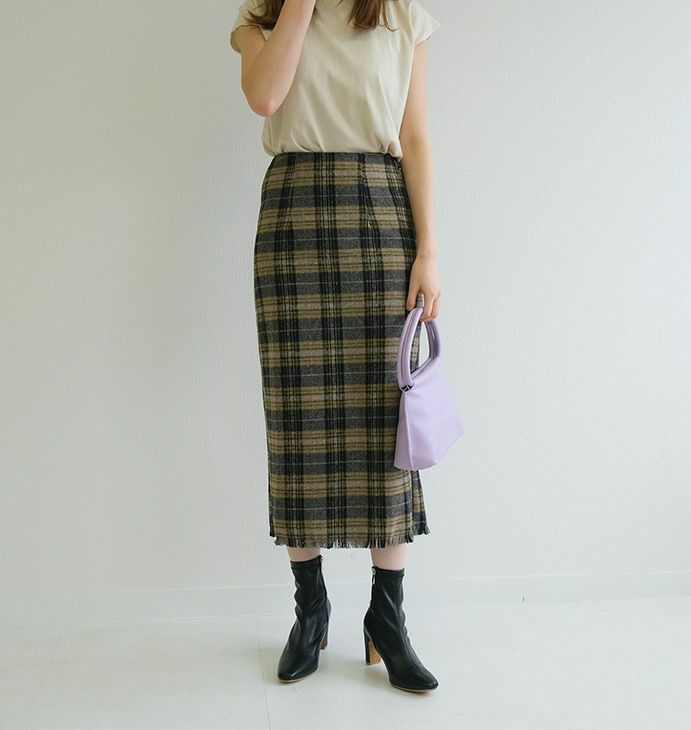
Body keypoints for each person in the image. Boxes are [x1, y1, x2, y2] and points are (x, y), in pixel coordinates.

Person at [230, 0, 442, 692]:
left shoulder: (402, 15)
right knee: (298, 422)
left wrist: (429, 252)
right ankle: (310, 610)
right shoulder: (260, 18)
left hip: (380, 215)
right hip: (291, 217)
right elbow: (265, 96)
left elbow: (415, 136)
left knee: (388, 418)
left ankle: (388, 617)